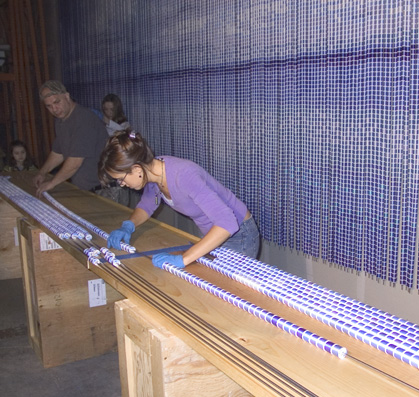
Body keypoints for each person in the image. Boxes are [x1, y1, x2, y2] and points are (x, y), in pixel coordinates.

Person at [99, 129, 260, 269]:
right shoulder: (154, 175)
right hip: (217, 233)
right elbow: (147, 205)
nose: (122, 184)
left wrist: (184, 258)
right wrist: (128, 226)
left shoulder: (183, 175)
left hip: (239, 233)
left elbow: (227, 222)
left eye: (121, 178)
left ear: (136, 169)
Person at [33, 80, 109, 196]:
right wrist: (42, 172)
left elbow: (75, 162)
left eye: (57, 102)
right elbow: (58, 152)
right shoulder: (60, 121)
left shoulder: (83, 119)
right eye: (49, 106)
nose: (54, 109)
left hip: (104, 190)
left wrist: (52, 183)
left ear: (67, 96)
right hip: (85, 188)